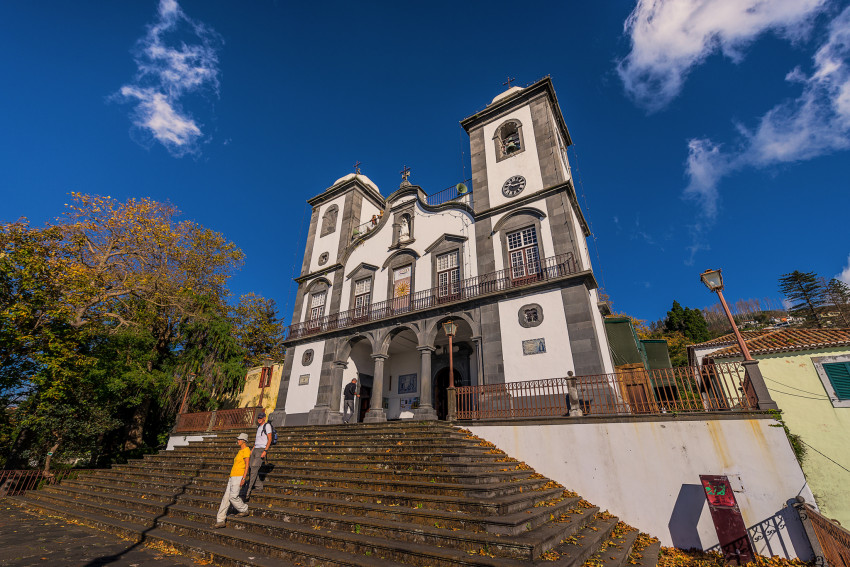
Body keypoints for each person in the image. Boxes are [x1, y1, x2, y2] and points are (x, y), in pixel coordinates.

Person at [213, 432, 251, 528]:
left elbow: (247, 465)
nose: (237, 441)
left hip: (238, 476)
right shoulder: (240, 451)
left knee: (232, 497)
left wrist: (244, 478)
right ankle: (220, 520)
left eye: (239, 439)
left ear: (244, 441)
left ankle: (244, 509)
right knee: (225, 498)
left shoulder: (246, 450)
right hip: (232, 476)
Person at [246, 411, 272, 499]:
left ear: (264, 418)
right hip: (255, 449)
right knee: (251, 467)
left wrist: (265, 450)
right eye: (258, 418)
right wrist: (252, 450)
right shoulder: (258, 426)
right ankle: (259, 486)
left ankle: (247, 490)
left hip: (261, 449)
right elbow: (257, 440)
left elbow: (270, 439)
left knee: (254, 468)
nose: (259, 419)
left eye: (261, 418)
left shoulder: (267, 426)